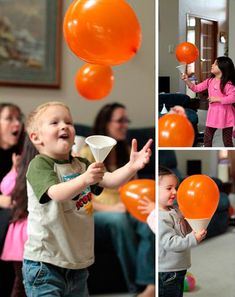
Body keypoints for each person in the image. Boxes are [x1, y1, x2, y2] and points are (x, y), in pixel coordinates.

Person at [22, 101, 152, 297]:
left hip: (77, 265)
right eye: (54, 123)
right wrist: (84, 179)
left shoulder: (81, 164)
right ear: (36, 137)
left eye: (68, 122)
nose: (64, 126)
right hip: (45, 263)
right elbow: (56, 193)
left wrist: (131, 167)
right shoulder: (40, 164)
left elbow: (111, 181)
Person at [80, 102, 155, 297]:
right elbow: (81, 196)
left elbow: (135, 188)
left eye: (126, 121)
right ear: (106, 124)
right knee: (120, 221)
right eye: (120, 121)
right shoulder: (88, 154)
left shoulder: (126, 151)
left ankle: (150, 285)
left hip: (126, 207)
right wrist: (113, 209)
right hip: (99, 211)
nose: (125, 125)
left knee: (150, 220)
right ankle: (136, 288)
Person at [158, 166, 207, 297]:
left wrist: (194, 224)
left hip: (178, 267)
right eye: (169, 188)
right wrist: (194, 239)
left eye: (176, 187)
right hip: (167, 271)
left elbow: (183, 230)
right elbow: (170, 243)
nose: (175, 192)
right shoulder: (160, 217)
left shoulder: (175, 210)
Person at [1, 135, 38, 297]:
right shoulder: (28, 171)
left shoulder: (23, 171)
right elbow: (6, 189)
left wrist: (14, 169)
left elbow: (5, 187)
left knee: (22, 282)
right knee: (25, 281)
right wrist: (15, 169)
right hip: (27, 234)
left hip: (22, 234)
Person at [181, 56, 235, 147]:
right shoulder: (210, 81)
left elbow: (233, 98)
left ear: (223, 68)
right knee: (207, 138)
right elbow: (196, 88)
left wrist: (217, 99)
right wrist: (187, 80)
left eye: (215, 64)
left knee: (227, 141)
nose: (212, 65)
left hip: (226, 116)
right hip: (212, 115)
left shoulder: (228, 84)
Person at [0, 103, 25, 296]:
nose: (17, 123)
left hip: (19, 207)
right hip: (7, 208)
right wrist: (5, 201)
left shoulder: (24, 152)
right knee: (9, 216)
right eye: (9, 118)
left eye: (19, 118)